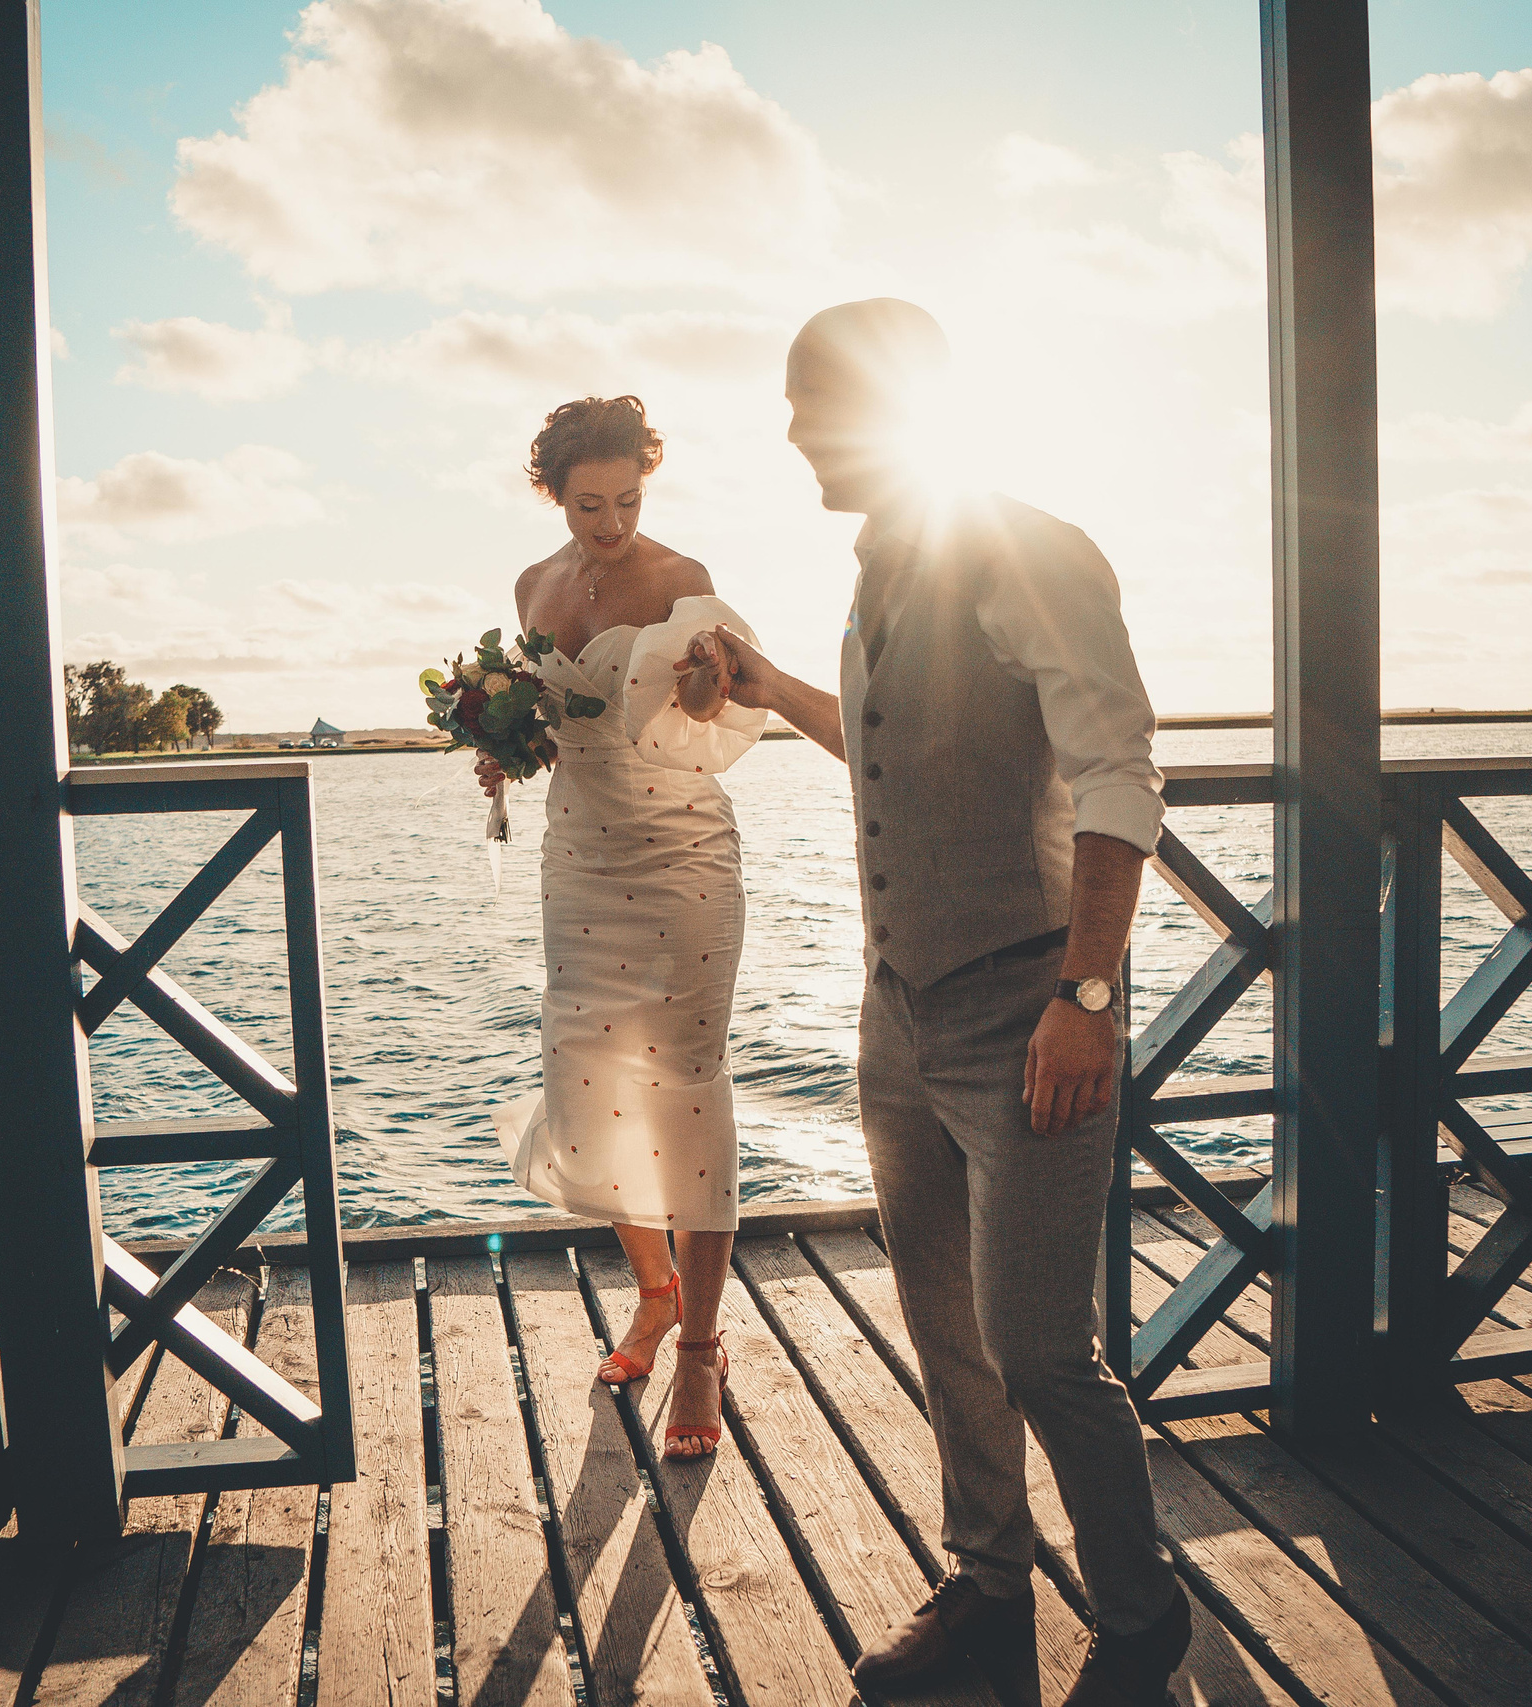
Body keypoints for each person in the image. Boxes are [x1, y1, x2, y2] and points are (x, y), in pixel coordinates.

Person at [706, 303, 1192, 1704]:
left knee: (1043, 1346)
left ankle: (1142, 1614)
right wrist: (764, 682)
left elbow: (1119, 774)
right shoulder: (878, 573)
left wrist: (1088, 995)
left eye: (811, 403)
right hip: (895, 1010)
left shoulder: (1026, 546)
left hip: (1027, 1010)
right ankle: (989, 1585)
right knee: (947, 1331)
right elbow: (877, 743)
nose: (794, 429)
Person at [485, 394, 767, 1462]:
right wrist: (501, 741)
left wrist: (703, 685)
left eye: (628, 501)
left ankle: (699, 1346)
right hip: (580, 859)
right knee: (592, 1081)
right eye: (589, 504)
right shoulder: (533, 585)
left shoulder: (679, 579)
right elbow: (555, 721)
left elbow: (712, 711)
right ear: (552, 493)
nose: (610, 525)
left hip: (679, 857)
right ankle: (651, 1293)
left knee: (685, 1089)